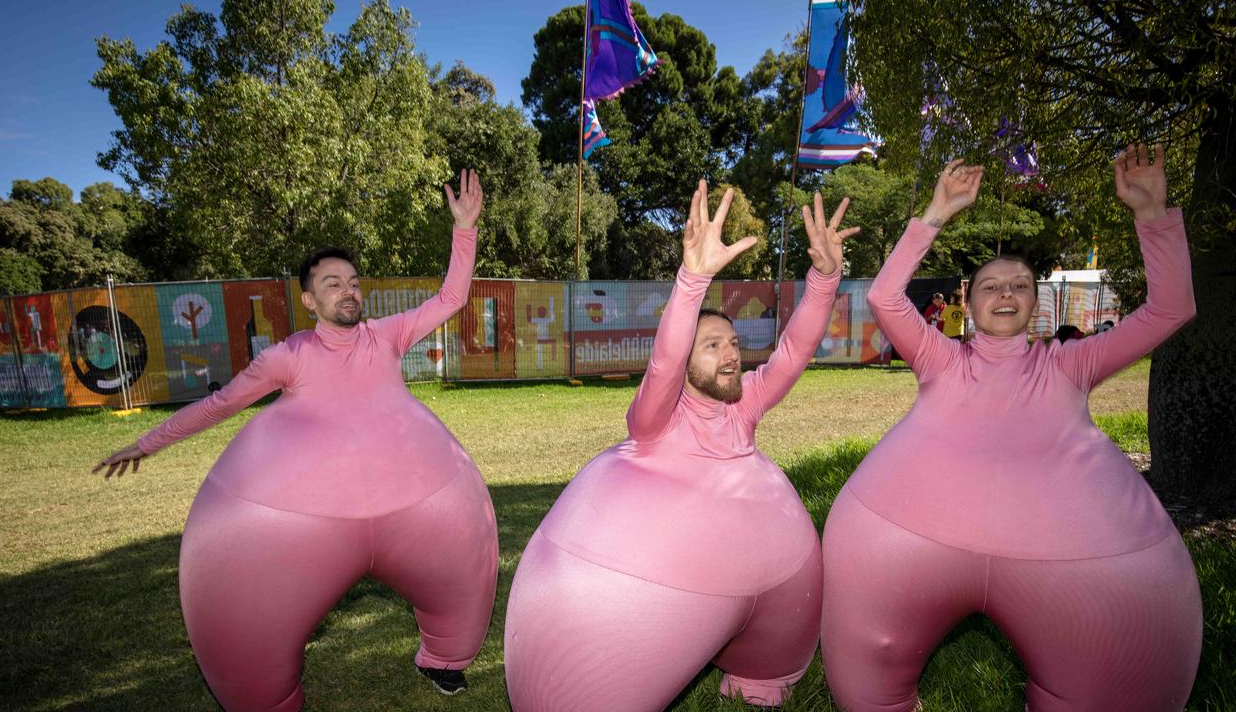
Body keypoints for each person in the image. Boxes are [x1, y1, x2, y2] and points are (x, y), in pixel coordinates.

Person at [93, 170, 498, 710]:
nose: (348, 291)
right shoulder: (290, 356)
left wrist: (464, 229)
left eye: (353, 282)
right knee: (252, 633)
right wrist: (146, 443)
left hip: (413, 506)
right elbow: (222, 404)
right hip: (311, 521)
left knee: (461, 579)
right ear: (309, 300)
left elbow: (451, 298)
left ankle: (443, 660)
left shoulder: (387, 336)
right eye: (333, 284)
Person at [820, 147, 1201, 711]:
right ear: (969, 306)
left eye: (1019, 286)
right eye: (990, 286)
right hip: (914, 546)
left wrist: (1153, 215)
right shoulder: (941, 360)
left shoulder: (1071, 364)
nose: (1004, 293)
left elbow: (1171, 309)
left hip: (1058, 562)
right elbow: (884, 296)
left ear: (1036, 304)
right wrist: (935, 214)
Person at [504, 181, 859, 711]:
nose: (732, 356)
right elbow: (664, 364)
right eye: (712, 346)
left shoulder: (744, 410)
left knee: (771, 668)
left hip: (767, 586)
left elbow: (793, 351)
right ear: (689, 362)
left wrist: (825, 278)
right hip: (656, 588)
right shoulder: (656, 424)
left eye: (734, 344)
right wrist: (692, 279)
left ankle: (759, 672)